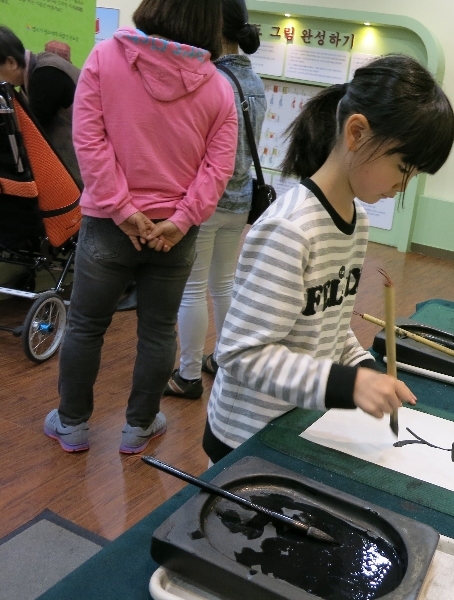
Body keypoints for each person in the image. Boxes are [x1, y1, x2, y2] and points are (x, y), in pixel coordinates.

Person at [202, 54, 454, 464]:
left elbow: (329, 326)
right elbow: (240, 354)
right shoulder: (290, 229)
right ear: (357, 132)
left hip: (295, 424)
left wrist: (363, 367)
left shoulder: (357, 224)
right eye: (403, 167)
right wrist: (346, 384)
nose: (403, 186)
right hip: (243, 441)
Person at [43, 0, 238, 454]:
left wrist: (121, 208)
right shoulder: (218, 88)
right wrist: (181, 219)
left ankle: (71, 423)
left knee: (87, 326)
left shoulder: (104, 57)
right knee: (158, 330)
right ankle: (140, 425)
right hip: (175, 234)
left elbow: (88, 139)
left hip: (108, 226)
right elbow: (217, 169)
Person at [165, 0, 267, 400]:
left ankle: (188, 375)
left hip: (206, 200)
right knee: (222, 284)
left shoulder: (209, 81)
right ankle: (224, 360)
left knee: (192, 289)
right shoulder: (254, 81)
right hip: (241, 201)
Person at [0, 26, 82, 186]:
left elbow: (33, 132)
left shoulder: (46, 74)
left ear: (11, 62)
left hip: (83, 175)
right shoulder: (31, 77)